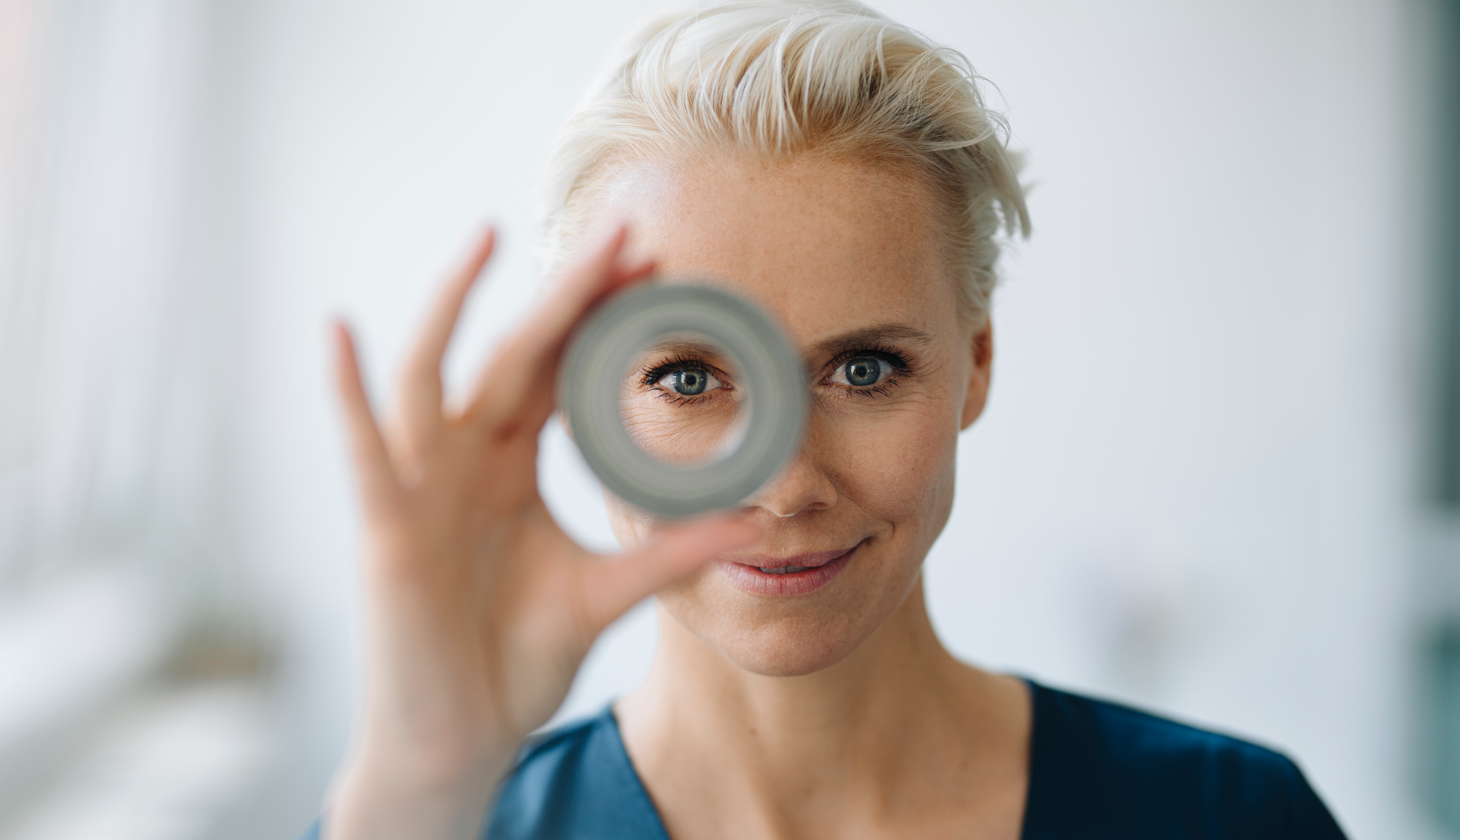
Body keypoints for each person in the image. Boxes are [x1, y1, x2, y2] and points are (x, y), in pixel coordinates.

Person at [311, 3, 1347, 838]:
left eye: (863, 368)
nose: (785, 480)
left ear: (974, 365)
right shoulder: (432, 820)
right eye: (684, 379)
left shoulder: (1225, 818)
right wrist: (419, 784)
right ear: (579, 403)